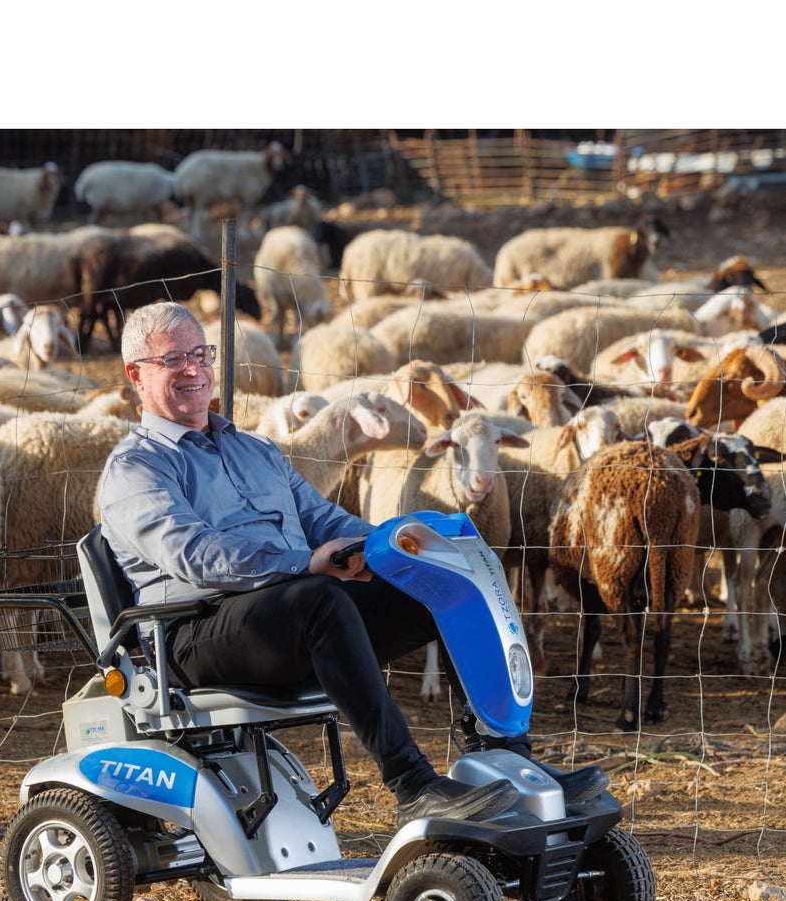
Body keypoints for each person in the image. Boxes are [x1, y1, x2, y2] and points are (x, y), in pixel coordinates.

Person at [96, 301, 606, 828]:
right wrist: (305, 563)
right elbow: (195, 555)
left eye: (200, 354)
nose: (193, 369)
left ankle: (506, 760)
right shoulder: (136, 469)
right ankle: (413, 785)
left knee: (442, 586)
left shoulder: (255, 450)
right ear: (136, 375)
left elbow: (323, 518)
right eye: (172, 359)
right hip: (194, 632)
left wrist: (392, 546)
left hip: (285, 614)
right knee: (319, 600)